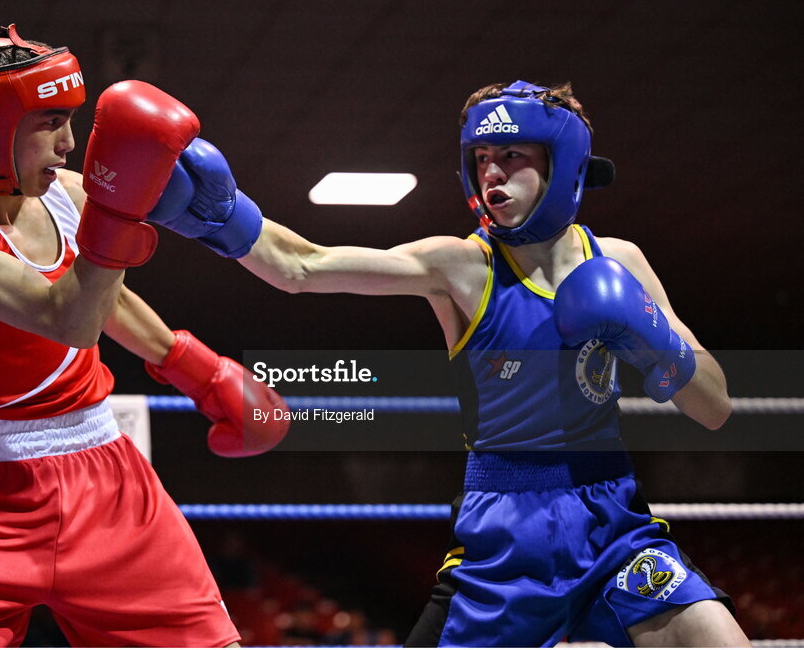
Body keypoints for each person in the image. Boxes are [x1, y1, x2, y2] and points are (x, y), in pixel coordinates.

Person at [147, 80, 751, 646]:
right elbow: (305, 267)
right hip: (505, 537)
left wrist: (650, 341)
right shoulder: (463, 267)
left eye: (512, 154)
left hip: (613, 523)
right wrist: (221, 218)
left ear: (560, 163)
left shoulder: (619, 261)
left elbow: (716, 408)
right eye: (482, 157)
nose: (492, 172)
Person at [0, 24, 288, 647]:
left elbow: (108, 298)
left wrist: (198, 371)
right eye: (48, 122)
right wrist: (120, 211)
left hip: (111, 485)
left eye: (72, 119)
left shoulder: (67, 197)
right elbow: (66, 317)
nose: (70, 144)